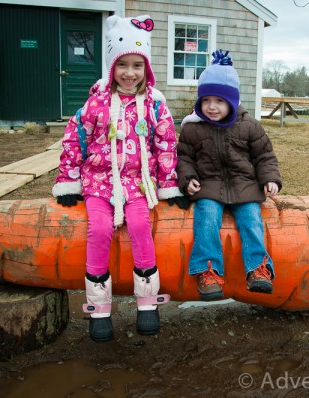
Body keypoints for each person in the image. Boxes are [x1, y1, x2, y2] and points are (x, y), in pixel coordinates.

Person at [52, 14, 189, 343]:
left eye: (137, 65)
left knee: (141, 228)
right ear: (111, 67)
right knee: (99, 230)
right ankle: (99, 309)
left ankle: (147, 303)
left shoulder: (156, 105)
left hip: (139, 183)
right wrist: (69, 181)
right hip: (100, 184)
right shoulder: (95, 103)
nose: (130, 73)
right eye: (122, 64)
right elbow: (74, 139)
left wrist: (169, 186)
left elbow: (166, 145)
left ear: (147, 69)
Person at [176, 50, 283, 301]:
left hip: (245, 186)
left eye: (219, 101)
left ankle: (258, 268)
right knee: (206, 220)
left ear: (232, 102)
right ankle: (208, 271)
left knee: (251, 221)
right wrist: (187, 178)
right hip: (209, 187)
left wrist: (270, 179)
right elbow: (184, 158)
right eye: (206, 100)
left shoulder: (249, 125)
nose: (211, 107)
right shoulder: (192, 128)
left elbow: (264, 156)